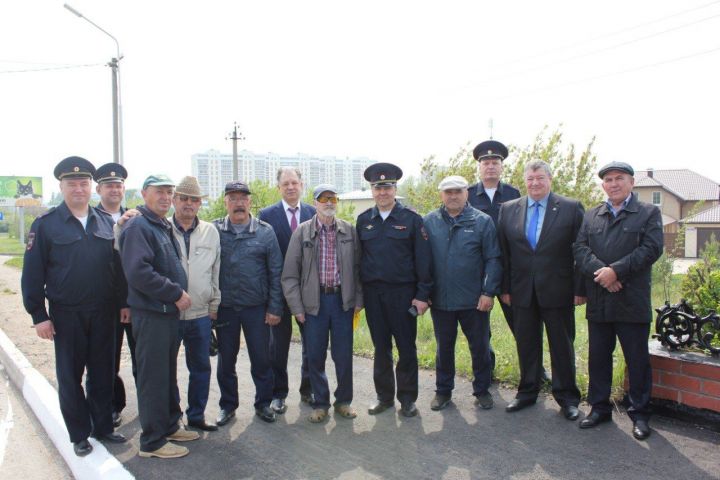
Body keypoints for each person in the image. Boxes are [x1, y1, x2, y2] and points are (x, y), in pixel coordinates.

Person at [21, 156, 126, 457]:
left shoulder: (106, 222)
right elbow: (32, 274)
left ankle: (103, 426)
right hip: (67, 314)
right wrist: (39, 315)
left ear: (92, 187)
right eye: (72, 184)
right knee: (70, 376)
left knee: (103, 372)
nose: (78, 188)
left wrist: (123, 304)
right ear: (62, 186)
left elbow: (117, 271)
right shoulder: (45, 225)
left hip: (104, 311)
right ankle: (79, 434)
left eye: (83, 183)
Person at [574, 161, 663, 440]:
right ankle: (599, 408)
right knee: (598, 358)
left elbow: (651, 249)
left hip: (631, 299)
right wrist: (603, 274)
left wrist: (616, 271)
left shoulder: (648, 212)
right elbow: (579, 248)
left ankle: (639, 413)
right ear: (603, 185)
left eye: (619, 178)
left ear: (631, 182)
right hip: (600, 298)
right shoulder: (592, 215)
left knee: (636, 360)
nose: (613, 183)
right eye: (608, 180)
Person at [119, 174, 200, 459]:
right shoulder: (139, 226)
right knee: (153, 378)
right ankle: (151, 442)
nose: (165, 197)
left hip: (165, 314)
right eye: (159, 192)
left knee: (166, 375)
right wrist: (174, 293)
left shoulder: (159, 224)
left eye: (169, 192)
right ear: (143, 194)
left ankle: (168, 425)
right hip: (152, 314)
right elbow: (139, 272)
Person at [497, 161, 585, 420]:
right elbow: (504, 253)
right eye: (530, 179)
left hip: (559, 289)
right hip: (521, 290)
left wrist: (580, 288)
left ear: (550, 179)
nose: (535, 183)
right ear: (525, 181)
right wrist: (504, 288)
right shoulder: (509, 209)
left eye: (540, 178)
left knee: (562, 345)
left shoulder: (570, 208)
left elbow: (581, 251)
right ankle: (527, 392)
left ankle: (567, 398)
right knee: (526, 344)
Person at [281, 184, 363, 423]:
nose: (329, 202)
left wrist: (358, 300)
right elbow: (289, 275)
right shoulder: (302, 233)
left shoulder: (349, 231)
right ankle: (321, 403)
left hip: (341, 303)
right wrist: (297, 308)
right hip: (313, 305)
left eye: (333, 198)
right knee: (315, 356)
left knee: (343, 355)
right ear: (315, 203)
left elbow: (359, 270)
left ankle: (344, 401)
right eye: (323, 199)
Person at [357, 163, 432, 417]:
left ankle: (408, 399)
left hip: (403, 294)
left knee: (406, 347)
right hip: (373, 295)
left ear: (395, 188)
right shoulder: (364, 220)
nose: (382, 192)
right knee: (381, 348)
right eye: (378, 188)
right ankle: (384, 397)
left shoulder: (412, 219)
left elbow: (424, 261)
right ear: (372, 190)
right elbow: (359, 261)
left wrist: (422, 296)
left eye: (387, 187)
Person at [423, 175, 502, 411]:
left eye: (458, 191)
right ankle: (443, 391)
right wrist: (424, 292)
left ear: (467, 193)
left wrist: (488, 292)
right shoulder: (429, 221)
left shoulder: (482, 221)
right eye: (448, 192)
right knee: (443, 348)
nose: (453, 196)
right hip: (440, 301)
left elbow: (493, 259)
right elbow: (423, 261)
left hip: (474, 301)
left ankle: (482, 390)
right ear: (441, 195)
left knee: (480, 348)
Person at [214, 181, 284, 425]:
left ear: (250, 202)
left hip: (257, 309)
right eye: (233, 198)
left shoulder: (265, 232)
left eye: (243, 198)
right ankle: (227, 405)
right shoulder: (214, 231)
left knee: (262, 358)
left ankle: (263, 403)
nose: (239, 203)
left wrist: (275, 307)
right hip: (226, 309)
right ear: (225, 202)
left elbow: (276, 272)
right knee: (226, 360)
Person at [258, 167, 316, 413]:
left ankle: (308, 389)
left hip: (310, 293)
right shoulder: (266, 215)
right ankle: (278, 393)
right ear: (278, 187)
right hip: (278, 293)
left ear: (302, 184)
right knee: (277, 348)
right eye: (285, 184)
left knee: (312, 345)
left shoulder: (315, 212)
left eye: (294, 182)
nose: (290, 187)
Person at [170, 176, 221, 432]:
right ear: (174, 200)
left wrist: (214, 304)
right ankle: (173, 416)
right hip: (169, 314)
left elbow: (216, 270)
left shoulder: (210, 232)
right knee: (168, 370)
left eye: (194, 200)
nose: (189, 204)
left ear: (200, 204)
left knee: (201, 367)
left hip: (201, 314)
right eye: (184, 198)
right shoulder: (161, 228)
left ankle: (197, 415)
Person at [94, 162, 134, 428]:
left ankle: (152, 404)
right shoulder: (90, 218)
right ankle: (111, 406)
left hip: (134, 301)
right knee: (108, 358)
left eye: (118, 185)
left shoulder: (134, 217)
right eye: (109, 185)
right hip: (103, 303)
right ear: (99, 189)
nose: (114, 190)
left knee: (142, 356)